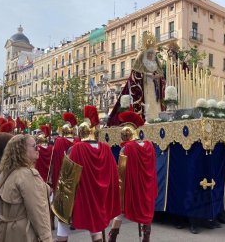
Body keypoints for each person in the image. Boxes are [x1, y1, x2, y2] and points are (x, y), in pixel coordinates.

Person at [54, 106, 120, 242]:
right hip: (99, 196)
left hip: (81, 196)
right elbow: (114, 173)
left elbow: (67, 177)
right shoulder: (106, 149)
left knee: (62, 224)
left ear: (80, 133)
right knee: (95, 229)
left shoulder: (76, 149)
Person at [108, 110, 157, 242]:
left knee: (120, 212)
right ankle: (146, 237)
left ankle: (112, 237)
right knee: (147, 211)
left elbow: (121, 174)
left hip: (132, 187)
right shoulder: (150, 145)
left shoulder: (126, 148)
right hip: (147, 188)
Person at [0, 134, 52, 242]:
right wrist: (47, 238)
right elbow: (38, 213)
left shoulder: (8, 171)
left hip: (6, 232)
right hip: (23, 234)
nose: (38, 149)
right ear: (22, 150)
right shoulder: (28, 174)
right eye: (34, 146)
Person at [108, 32, 165, 125]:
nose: (151, 55)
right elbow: (135, 74)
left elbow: (161, 75)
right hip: (145, 87)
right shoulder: (141, 60)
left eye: (152, 53)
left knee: (155, 105)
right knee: (148, 106)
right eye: (149, 53)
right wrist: (146, 75)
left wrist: (158, 76)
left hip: (154, 88)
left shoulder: (156, 62)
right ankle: (146, 120)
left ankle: (157, 119)